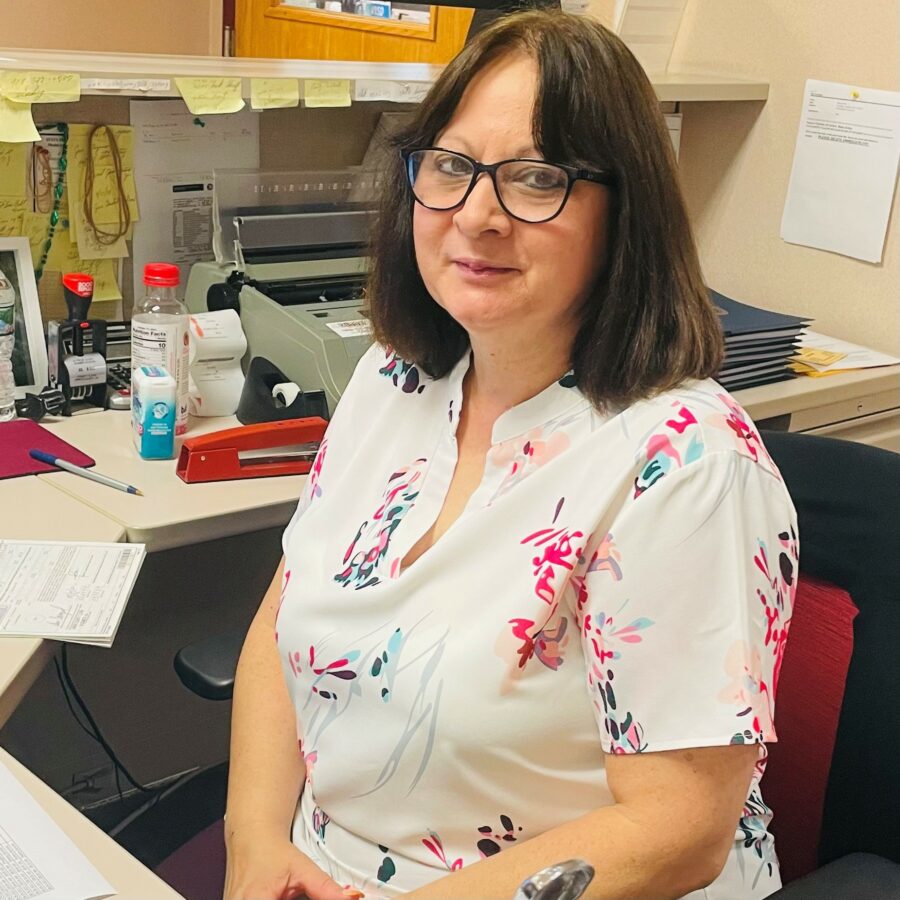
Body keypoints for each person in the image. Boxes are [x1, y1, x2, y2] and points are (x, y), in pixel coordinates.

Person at [224, 10, 797, 900]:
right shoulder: (394, 380)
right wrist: (254, 842)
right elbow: (282, 619)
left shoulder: (685, 463)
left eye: (536, 180)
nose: (477, 216)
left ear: (624, 210)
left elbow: (677, 831)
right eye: (451, 168)